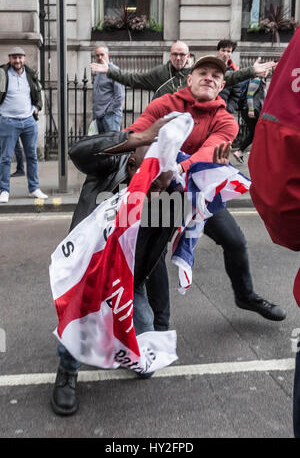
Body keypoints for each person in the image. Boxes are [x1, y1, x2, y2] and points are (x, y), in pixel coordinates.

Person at [50, 56, 234, 416]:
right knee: (82, 318)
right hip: (89, 269)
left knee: (144, 364)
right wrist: (138, 138)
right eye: (150, 154)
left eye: (162, 163)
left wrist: (190, 182)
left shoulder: (166, 197)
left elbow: (154, 262)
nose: (154, 165)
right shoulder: (111, 165)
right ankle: (67, 372)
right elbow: (78, 152)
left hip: (128, 279)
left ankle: (127, 331)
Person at [248, 26, 300, 438]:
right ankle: (150, 319)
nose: (209, 78)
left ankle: (246, 295)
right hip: (169, 199)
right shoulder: (167, 99)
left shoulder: (222, 114)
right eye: (201, 73)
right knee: (153, 250)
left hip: (207, 202)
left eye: (216, 74)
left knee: (230, 241)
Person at [91, 40, 277, 98]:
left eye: (182, 54)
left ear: (188, 56)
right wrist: (110, 71)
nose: (178, 58)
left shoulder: (196, 73)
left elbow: (230, 77)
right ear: (170, 55)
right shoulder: (159, 73)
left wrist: (251, 71)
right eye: (175, 54)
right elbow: (133, 79)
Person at [0, 47, 48, 203]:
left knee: (32, 156)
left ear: (24, 58)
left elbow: (38, 92)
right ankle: (4, 190)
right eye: (14, 57)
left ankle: (34, 188)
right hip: (8, 121)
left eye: (20, 57)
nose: (17, 61)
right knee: (6, 158)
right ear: (9, 58)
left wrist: (37, 107)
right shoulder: (3, 73)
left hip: (28, 121)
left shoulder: (30, 74)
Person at [233, 73, 267, 163]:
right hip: (252, 110)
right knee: (258, 132)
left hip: (251, 110)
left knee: (255, 133)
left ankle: (240, 152)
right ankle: (242, 151)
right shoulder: (256, 80)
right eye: (265, 69)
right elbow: (249, 95)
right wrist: (251, 110)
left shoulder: (260, 81)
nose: (267, 71)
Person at [92, 44, 125, 133]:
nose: (99, 57)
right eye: (97, 55)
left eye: (102, 54)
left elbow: (120, 95)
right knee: (103, 146)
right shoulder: (99, 73)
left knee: (112, 145)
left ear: (108, 56)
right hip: (99, 117)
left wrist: (108, 111)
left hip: (110, 116)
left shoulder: (114, 70)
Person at [217, 39, 241, 115]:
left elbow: (236, 94)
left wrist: (228, 109)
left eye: (228, 51)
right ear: (218, 51)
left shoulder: (235, 70)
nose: (225, 54)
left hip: (224, 111)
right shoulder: (210, 65)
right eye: (223, 50)